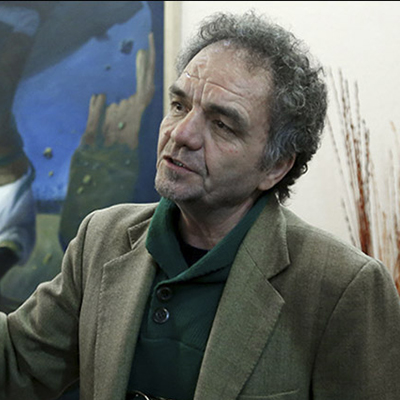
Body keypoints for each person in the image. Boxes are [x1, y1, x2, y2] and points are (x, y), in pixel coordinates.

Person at [1, 10, 400, 400]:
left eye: (221, 124)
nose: (182, 134)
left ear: (275, 166)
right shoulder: (102, 239)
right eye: (179, 105)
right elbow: (14, 365)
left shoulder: (341, 288)